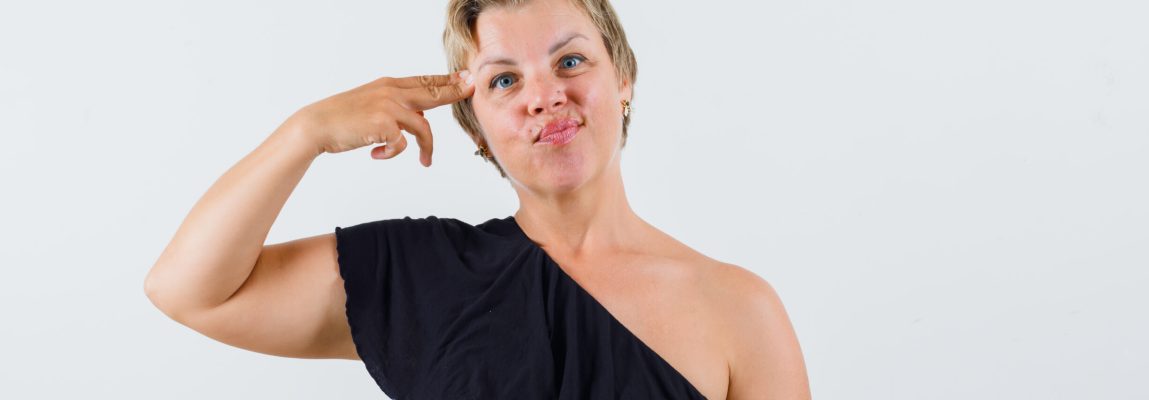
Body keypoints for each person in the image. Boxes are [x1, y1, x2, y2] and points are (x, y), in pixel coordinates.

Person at [143, 0, 811, 398]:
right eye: (503, 80)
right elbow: (189, 289)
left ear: (624, 79)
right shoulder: (422, 273)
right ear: (476, 129)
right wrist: (305, 134)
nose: (545, 95)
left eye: (571, 62)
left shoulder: (738, 310)